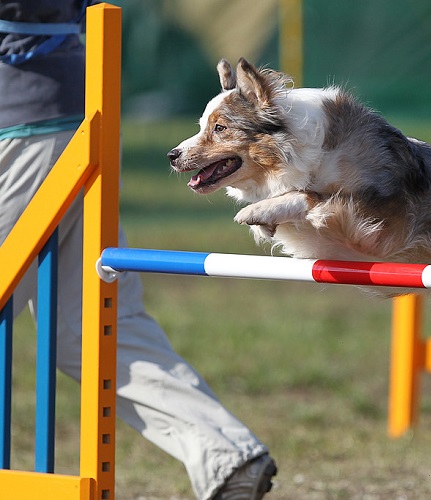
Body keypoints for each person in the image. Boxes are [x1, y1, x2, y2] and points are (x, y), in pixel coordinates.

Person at [0, 2, 277, 498]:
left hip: (22, 122)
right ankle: (224, 455)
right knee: (92, 329)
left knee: (93, 325)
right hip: (74, 116)